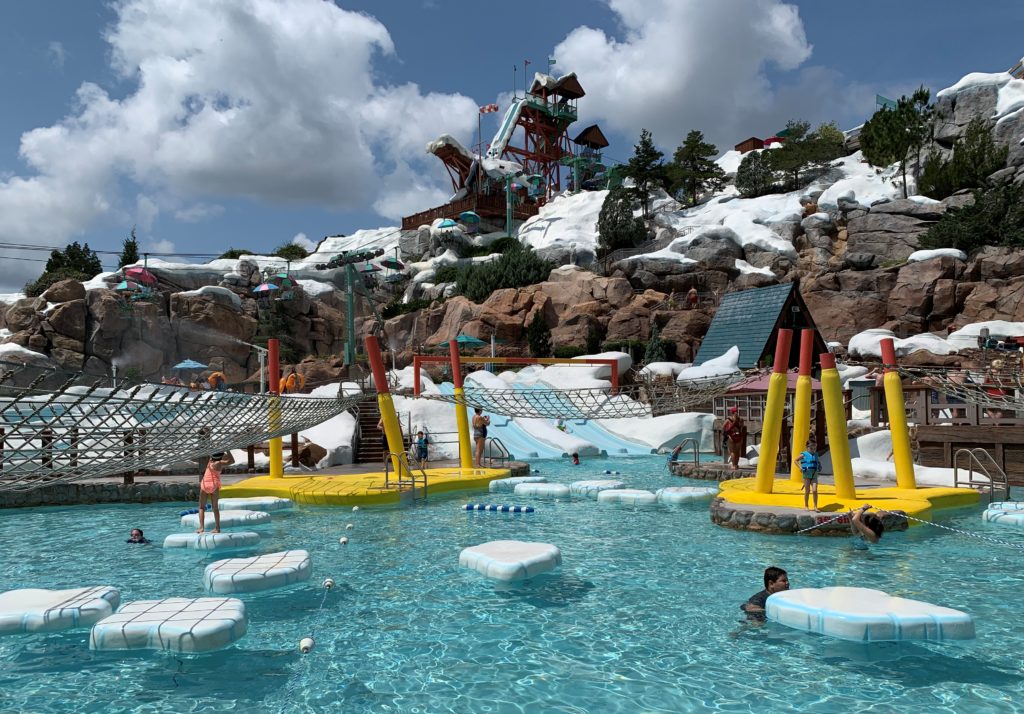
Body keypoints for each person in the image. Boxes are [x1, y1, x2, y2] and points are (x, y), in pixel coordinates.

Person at [197, 451, 233, 534]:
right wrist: (228, 450)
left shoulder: (210, 461)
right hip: (214, 486)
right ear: (220, 457)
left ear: (212, 457)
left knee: (201, 507)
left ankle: (201, 528)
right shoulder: (220, 463)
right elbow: (232, 461)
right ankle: (217, 528)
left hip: (205, 485)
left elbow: (211, 454)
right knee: (215, 508)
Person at [795, 437, 820, 511]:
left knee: (815, 490)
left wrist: (819, 465)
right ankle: (806, 505)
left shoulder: (816, 454)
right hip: (806, 475)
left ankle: (815, 506)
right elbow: (795, 460)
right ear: (807, 447)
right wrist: (800, 467)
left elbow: (817, 462)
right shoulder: (804, 454)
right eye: (811, 447)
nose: (813, 449)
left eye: (814, 447)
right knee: (807, 491)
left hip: (814, 474)